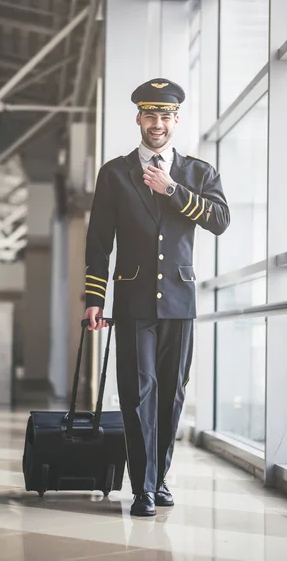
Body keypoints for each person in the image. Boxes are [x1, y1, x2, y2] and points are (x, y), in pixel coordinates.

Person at [83, 78, 230, 517]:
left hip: (180, 303)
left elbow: (220, 220)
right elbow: (98, 242)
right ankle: (143, 488)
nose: (158, 123)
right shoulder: (114, 173)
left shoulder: (198, 172)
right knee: (137, 391)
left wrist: (172, 190)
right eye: (151, 115)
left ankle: (159, 477)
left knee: (171, 394)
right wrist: (94, 298)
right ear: (139, 119)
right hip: (131, 301)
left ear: (176, 120)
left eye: (165, 116)